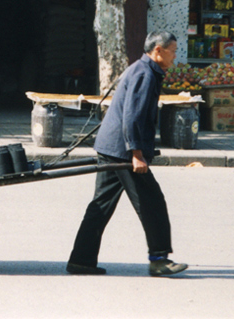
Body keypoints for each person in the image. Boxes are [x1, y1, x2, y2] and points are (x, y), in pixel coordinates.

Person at [66, 31, 188, 277]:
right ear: (158, 51)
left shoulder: (144, 69)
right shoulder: (144, 74)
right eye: (173, 50)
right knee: (152, 201)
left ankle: (81, 260)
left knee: (101, 203)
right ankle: (159, 260)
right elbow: (132, 117)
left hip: (111, 147)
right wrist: (136, 154)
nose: (176, 55)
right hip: (122, 151)